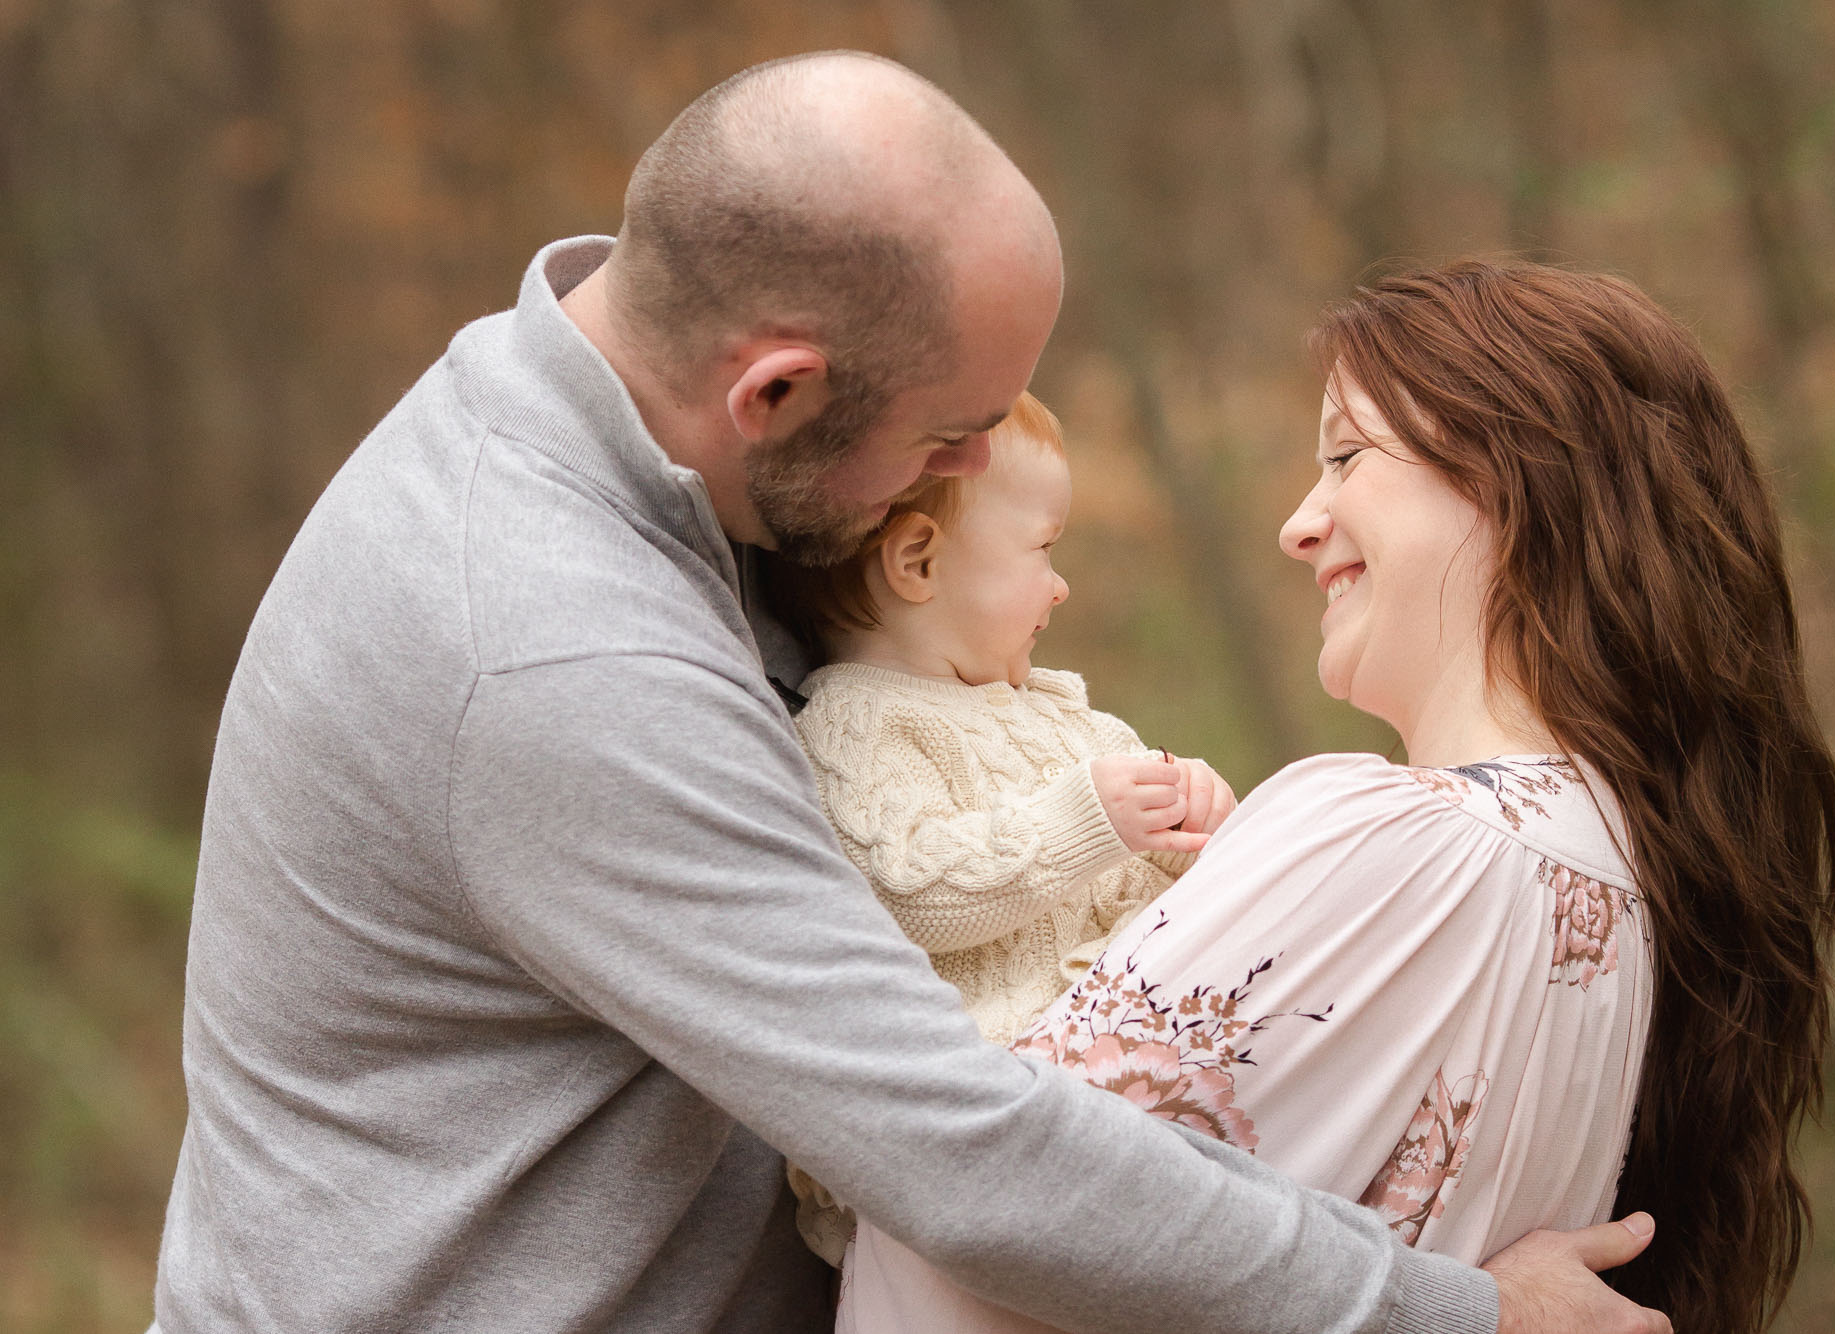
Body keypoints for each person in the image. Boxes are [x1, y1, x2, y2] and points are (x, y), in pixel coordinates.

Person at [150, 50, 1670, 1334]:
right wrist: (1456, 1310)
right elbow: (957, 1150)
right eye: (952, 436)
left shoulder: (663, 437)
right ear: (781, 392)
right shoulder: (548, 649)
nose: (960, 489)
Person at [834, 262, 1835, 1334]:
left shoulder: (1386, 831)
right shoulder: (1618, 874)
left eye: (1347, 455)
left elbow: (977, 1183)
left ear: (1517, 478)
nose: (1297, 525)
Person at [774, 390, 1236, 1260]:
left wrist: (1197, 832)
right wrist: (1081, 823)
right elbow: (907, 888)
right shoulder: (860, 726)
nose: (1060, 582)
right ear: (917, 561)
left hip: (1133, 1071)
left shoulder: (1063, 715)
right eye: (1042, 548)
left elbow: (1148, 878)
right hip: (997, 1115)